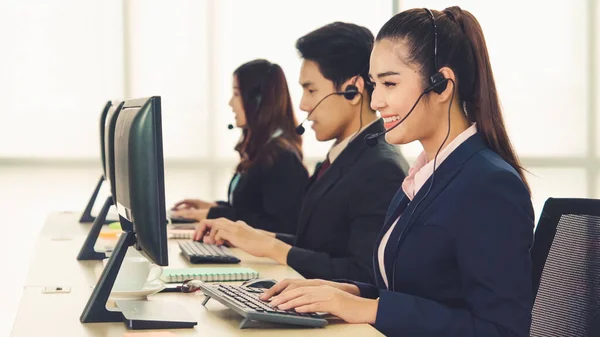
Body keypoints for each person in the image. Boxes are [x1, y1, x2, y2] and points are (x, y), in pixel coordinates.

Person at [259, 7, 534, 337]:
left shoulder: (489, 184)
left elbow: (501, 330)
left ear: (442, 85)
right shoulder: (425, 177)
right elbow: (419, 293)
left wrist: (370, 309)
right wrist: (349, 292)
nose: (376, 101)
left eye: (389, 83)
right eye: (375, 84)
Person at [193, 22, 408, 283]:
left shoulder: (380, 168)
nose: (304, 105)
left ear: (353, 90)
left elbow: (364, 275)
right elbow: (319, 246)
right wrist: (257, 236)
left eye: (311, 90)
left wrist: (274, 249)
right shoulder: (344, 156)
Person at [171, 59, 308, 235]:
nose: (230, 103)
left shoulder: (281, 157)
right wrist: (210, 207)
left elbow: (281, 226)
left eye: (236, 94)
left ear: (257, 101)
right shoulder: (262, 151)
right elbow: (250, 209)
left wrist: (213, 214)